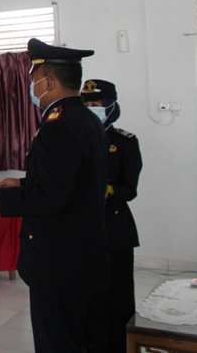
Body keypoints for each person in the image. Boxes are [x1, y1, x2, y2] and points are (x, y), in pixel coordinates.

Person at [0, 39, 109, 353]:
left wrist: (1, 199)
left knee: (57, 341)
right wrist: (22, 185)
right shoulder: (88, 120)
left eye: (34, 79)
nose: (32, 86)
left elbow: (51, 199)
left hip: (59, 263)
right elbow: (71, 181)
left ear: (48, 82)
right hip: (85, 255)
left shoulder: (57, 125)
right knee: (82, 338)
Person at [82, 79, 143, 353]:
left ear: (111, 107)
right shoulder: (75, 138)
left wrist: (100, 188)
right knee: (86, 296)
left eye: (96, 104)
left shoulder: (125, 141)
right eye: (86, 104)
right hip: (81, 229)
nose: (91, 109)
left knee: (116, 297)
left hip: (114, 228)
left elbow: (128, 190)